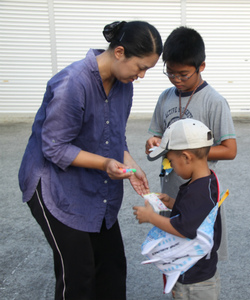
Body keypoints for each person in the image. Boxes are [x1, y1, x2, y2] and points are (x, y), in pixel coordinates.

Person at [18, 21, 162, 300]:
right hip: (52, 184)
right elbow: (55, 147)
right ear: (119, 52)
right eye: (141, 67)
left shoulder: (124, 85)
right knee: (78, 273)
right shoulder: (73, 82)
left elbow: (113, 137)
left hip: (92, 182)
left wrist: (131, 167)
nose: (141, 76)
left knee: (112, 267)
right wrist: (105, 164)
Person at [145, 26, 236, 259]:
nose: (176, 79)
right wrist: (154, 142)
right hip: (170, 187)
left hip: (199, 190)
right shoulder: (165, 97)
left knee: (199, 253)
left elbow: (230, 149)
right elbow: (155, 136)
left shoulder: (214, 102)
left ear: (201, 66)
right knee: (173, 250)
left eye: (183, 74)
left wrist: (189, 151)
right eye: (171, 73)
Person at [134, 119, 222, 300]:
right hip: (198, 272)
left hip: (193, 280)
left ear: (186, 157)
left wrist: (151, 217)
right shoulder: (206, 182)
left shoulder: (198, 191)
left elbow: (183, 228)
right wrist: (171, 202)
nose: (170, 165)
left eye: (170, 160)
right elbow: (197, 213)